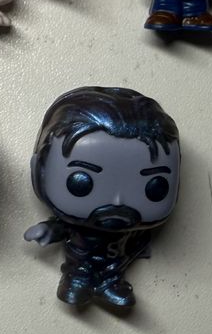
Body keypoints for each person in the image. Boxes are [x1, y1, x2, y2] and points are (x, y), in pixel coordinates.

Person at [25, 87, 180, 309]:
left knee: (112, 271)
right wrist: (49, 230)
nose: (118, 201)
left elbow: (139, 239)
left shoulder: (134, 228)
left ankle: (109, 284)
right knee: (79, 274)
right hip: (80, 261)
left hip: (116, 261)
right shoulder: (76, 222)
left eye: (155, 187)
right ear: (39, 170)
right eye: (81, 182)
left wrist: (139, 244)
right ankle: (77, 281)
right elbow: (61, 228)